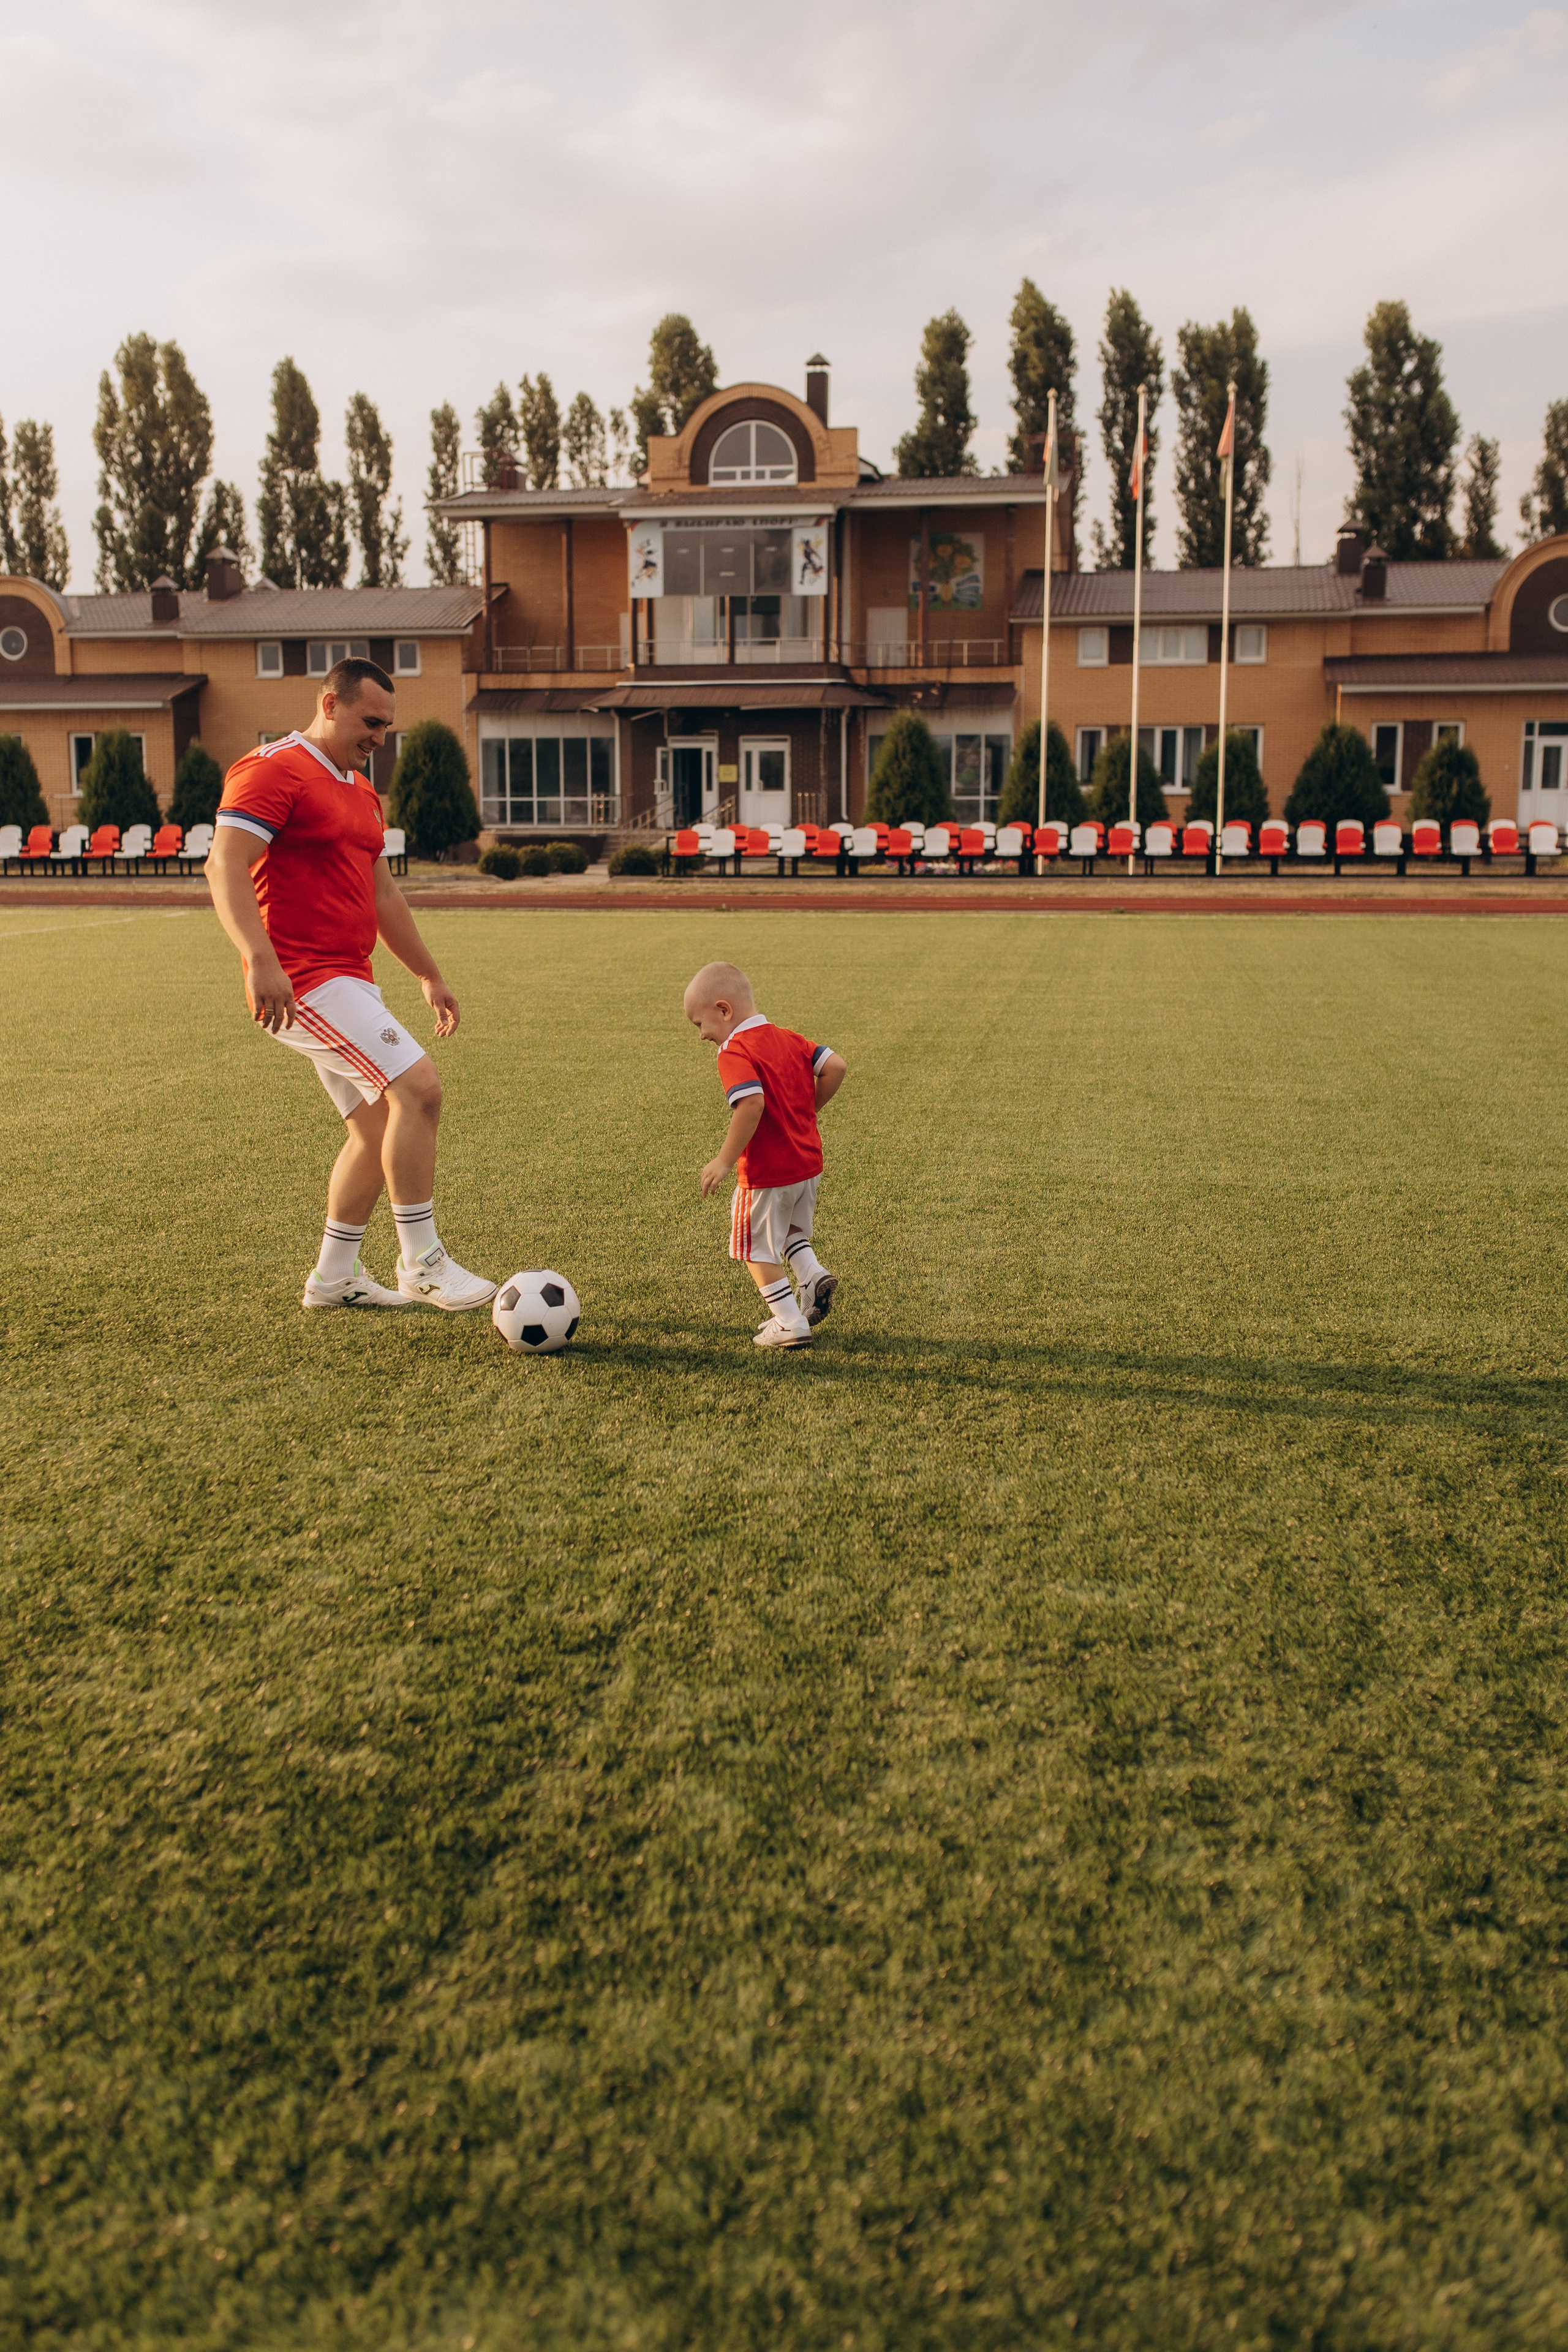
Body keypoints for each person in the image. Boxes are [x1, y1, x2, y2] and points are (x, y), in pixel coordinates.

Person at [205, 657, 496, 1313]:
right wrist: (258, 959)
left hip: (350, 980)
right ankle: (422, 1261)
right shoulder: (271, 768)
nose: (380, 737)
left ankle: (334, 1278)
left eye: (388, 726)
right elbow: (224, 865)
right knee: (419, 1089)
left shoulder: (361, 789)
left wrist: (428, 973)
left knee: (373, 1130)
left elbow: (381, 892)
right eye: (371, 722)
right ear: (328, 704)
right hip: (301, 979)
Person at [684, 960, 846, 1349]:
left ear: (724, 1010)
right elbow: (836, 1067)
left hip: (766, 1171)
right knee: (790, 1231)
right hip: (807, 1164)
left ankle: (790, 1322)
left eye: (699, 1024)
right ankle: (810, 1274)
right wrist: (804, 1115)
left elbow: (751, 1103)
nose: (702, 1035)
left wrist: (724, 1160)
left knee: (754, 1248)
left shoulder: (733, 1051)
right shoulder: (789, 1038)